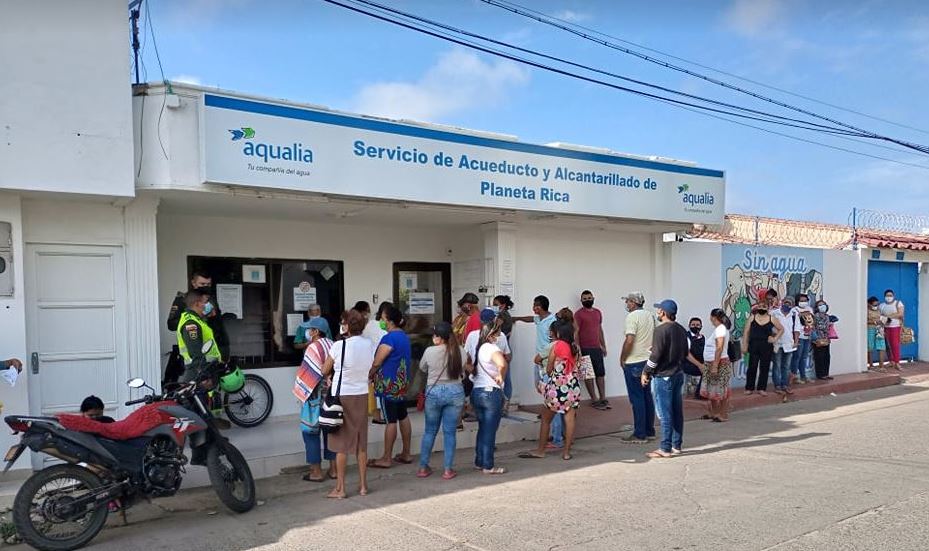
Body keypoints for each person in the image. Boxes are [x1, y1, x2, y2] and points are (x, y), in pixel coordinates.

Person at [321, 310, 374, 499]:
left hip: (342, 396)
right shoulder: (369, 344)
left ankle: (341, 489)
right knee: (361, 443)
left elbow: (324, 369)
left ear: (347, 326)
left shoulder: (338, 346)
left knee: (341, 444)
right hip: (361, 394)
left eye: (343, 322)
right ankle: (363, 486)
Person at [519, 321, 581, 461]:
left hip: (557, 386)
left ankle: (541, 450)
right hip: (573, 385)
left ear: (558, 333)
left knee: (546, 419)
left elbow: (549, 368)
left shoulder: (557, 345)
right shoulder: (575, 347)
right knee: (570, 419)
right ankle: (566, 452)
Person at [416, 322, 465, 480]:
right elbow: (463, 369)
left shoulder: (430, 351)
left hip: (434, 392)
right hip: (455, 391)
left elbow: (423, 368)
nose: (432, 337)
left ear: (439, 337)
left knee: (430, 431)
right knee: (450, 432)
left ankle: (423, 467)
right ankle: (447, 470)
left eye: (434, 335)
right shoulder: (460, 351)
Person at [641, 299, 689, 459]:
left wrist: (646, 371)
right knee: (677, 411)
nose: (657, 312)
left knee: (665, 413)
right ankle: (676, 445)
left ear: (663, 312)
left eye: (659, 310)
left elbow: (655, 356)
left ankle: (665, 447)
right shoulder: (681, 330)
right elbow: (683, 351)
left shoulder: (661, 330)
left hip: (664, 376)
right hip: (677, 373)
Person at [368, 305, 413, 469]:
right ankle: (406, 453)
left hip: (389, 386)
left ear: (389, 320)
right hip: (401, 384)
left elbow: (377, 361)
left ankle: (386, 457)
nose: (381, 320)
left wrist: (370, 374)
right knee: (403, 416)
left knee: (391, 420)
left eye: (382, 318)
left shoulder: (389, 338)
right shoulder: (403, 336)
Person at [514, 295, 562, 448]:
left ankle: (557, 437)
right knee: (545, 394)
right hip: (540, 361)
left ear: (542, 307)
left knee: (552, 400)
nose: (534, 308)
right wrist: (516, 318)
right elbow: (530, 319)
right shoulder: (539, 319)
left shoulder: (552, 320)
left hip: (547, 362)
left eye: (536, 306)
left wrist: (548, 360)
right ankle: (555, 434)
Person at [165, 271, 229, 384]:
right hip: (194, 353)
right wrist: (194, 318)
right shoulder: (184, 300)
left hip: (213, 352)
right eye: (202, 284)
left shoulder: (210, 299)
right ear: (194, 283)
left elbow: (219, 326)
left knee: (212, 390)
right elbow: (172, 324)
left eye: (208, 285)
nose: (205, 287)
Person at [294, 317, 336, 483]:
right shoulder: (332, 344)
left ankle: (316, 472)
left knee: (310, 432)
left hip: (314, 396)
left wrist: (300, 391)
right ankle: (334, 470)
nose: (307, 332)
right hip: (331, 396)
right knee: (330, 430)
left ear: (316, 331)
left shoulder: (313, 347)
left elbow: (309, 375)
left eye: (309, 329)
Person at [469, 320, 508, 475]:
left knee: (483, 428)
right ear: (492, 334)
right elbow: (503, 364)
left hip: (477, 392)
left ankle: (480, 461)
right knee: (490, 431)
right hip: (491, 393)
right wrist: (501, 377)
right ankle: (488, 465)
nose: (499, 336)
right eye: (498, 333)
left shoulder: (480, 348)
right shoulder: (492, 348)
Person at [619, 292, 656, 444]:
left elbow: (629, 340)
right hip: (648, 360)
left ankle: (640, 433)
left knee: (637, 398)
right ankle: (649, 430)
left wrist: (622, 357)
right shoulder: (650, 316)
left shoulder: (632, 317)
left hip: (634, 361)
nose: (626, 304)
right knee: (647, 396)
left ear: (634, 302)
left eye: (628, 301)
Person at [175, 288, 223, 382]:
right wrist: (204, 377)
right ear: (197, 303)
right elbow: (195, 352)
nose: (208, 305)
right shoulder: (191, 323)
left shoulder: (197, 319)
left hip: (206, 370)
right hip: (198, 375)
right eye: (205, 302)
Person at [742, 294, 784, 397]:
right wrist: (744, 345)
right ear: (757, 307)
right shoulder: (752, 318)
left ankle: (762, 388)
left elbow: (781, 329)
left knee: (764, 367)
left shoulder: (772, 318)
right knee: (752, 367)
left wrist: (774, 338)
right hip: (753, 345)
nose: (761, 308)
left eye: (764, 307)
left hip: (766, 346)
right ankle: (749, 388)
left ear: (768, 308)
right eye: (760, 306)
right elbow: (746, 332)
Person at [574, 290, 609, 410]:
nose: (587, 300)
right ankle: (594, 399)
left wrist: (603, 345)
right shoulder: (578, 314)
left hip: (597, 348)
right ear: (581, 301)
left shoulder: (598, 313)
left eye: (589, 298)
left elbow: (600, 329)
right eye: (585, 299)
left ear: (593, 298)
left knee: (600, 374)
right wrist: (577, 347)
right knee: (588, 375)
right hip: (584, 348)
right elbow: (576, 332)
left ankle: (603, 398)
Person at [700, 309, 733, 422]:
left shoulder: (721, 329)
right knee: (712, 389)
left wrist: (715, 365)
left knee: (722, 390)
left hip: (719, 363)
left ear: (713, 317)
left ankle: (723, 414)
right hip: (712, 362)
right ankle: (715, 412)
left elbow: (719, 348)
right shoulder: (718, 329)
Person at [363, 301, 391, 424]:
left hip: (371, 359)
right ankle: (384, 415)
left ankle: (376, 416)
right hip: (382, 360)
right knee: (381, 389)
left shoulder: (370, 324)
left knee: (374, 388)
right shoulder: (385, 326)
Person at [771, 294, 799, 395]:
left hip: (789, 345)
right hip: (777, 344)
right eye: (786, 302)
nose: (787, 304)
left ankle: (785, 385)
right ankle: (777, 386)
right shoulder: (774, 313)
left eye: (790, 303)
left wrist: (796, 342)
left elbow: (796, 330)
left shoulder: (794, 315)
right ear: (782, 302)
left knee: (786, 366)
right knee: (777, 365)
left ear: (792, 305)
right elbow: (769, 327)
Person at [492, 295, 515, 407]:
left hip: (501, 348)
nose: (494, 307)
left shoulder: (501, 315)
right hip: (505, 347)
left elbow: (495, 328)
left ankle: (504, 402)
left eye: (496, 304)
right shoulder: (506, 314)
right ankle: (506, 402)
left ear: (503, 305)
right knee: (506, 375)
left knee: (503, 376)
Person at [790, 293, 814, 385]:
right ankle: (794, 376)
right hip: (798, 336)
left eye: (805, 301)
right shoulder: (794, 310)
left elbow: (812, 321)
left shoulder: (809, 309)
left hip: (807, 336)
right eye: (801, 301)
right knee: (796, 357)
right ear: (797, 301)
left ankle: (804, 376)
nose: (804, 302)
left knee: (804, 357)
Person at [811, 300, 838, 380]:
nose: (822, 306)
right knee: (819, 357)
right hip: (818, 339)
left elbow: (828, 327)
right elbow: (813, 327)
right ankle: (820, 374)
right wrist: (815, 338)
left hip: (826, 339)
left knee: (827, 356)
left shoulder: (827, 316)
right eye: (820, 305)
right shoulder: (815, 316)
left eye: (823, 305)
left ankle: (826, 373)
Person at [879, 289, 905, 371]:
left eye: (890, 295)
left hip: (895, 327)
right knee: (887, 345)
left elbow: (900, 314)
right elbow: (879, 315)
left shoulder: (898, 303)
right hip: (885, 327)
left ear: (893, 296)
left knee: (895, 345)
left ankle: (897, 362)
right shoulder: (881, 305)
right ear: (884, 296)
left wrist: (888, 316)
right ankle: (891, 361)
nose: (889, 297)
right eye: (887, 295)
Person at [683, 317, 706, 400]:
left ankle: (706, 393)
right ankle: (700, 394)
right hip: (688, 364)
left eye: (697, 325)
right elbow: (687, 354)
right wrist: (700, 365)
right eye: (693, 325)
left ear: (701, 326)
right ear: (689, 326)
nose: (695, 327)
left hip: (700, 363)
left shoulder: (702, 337)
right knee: (706, 371)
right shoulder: (686, 337)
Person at [866, 296, 887, 372]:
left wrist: (883, 321)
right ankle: (871, 365)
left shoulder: (879, 310)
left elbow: (883, 318)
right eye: (874, 305)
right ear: (869, 304)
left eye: (877, 305)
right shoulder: (866, 311)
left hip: (879, 329)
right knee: (870, 347)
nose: (876, 306)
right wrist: (874, 322)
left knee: (881, 346)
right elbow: (864, 321)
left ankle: (881, 365)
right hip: (870, 329)